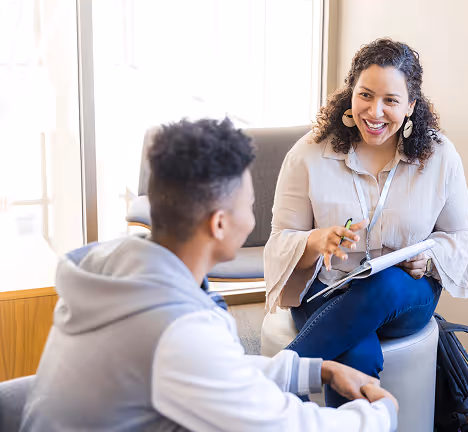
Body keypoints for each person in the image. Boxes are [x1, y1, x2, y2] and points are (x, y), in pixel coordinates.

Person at [21, 118, 398, 432]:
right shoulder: (176, 330)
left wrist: (320, 370)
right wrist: (380, 413)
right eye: (250, 207)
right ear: (219, 223)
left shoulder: (118, 261)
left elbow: (215, 370)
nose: (253, 219)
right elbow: (283, 425)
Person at [264, 38, 468, 407]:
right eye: (365, 95)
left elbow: (458, 238)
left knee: (385, 283)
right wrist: (317, 241)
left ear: (410, 106)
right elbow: (281, 238)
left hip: (404, 296)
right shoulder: (309, 154)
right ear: (350, 94)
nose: (374, 112)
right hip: (326, 289)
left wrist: (428, 258)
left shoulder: (440, 156)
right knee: (357, 357)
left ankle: (268, 386)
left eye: (391, 101)